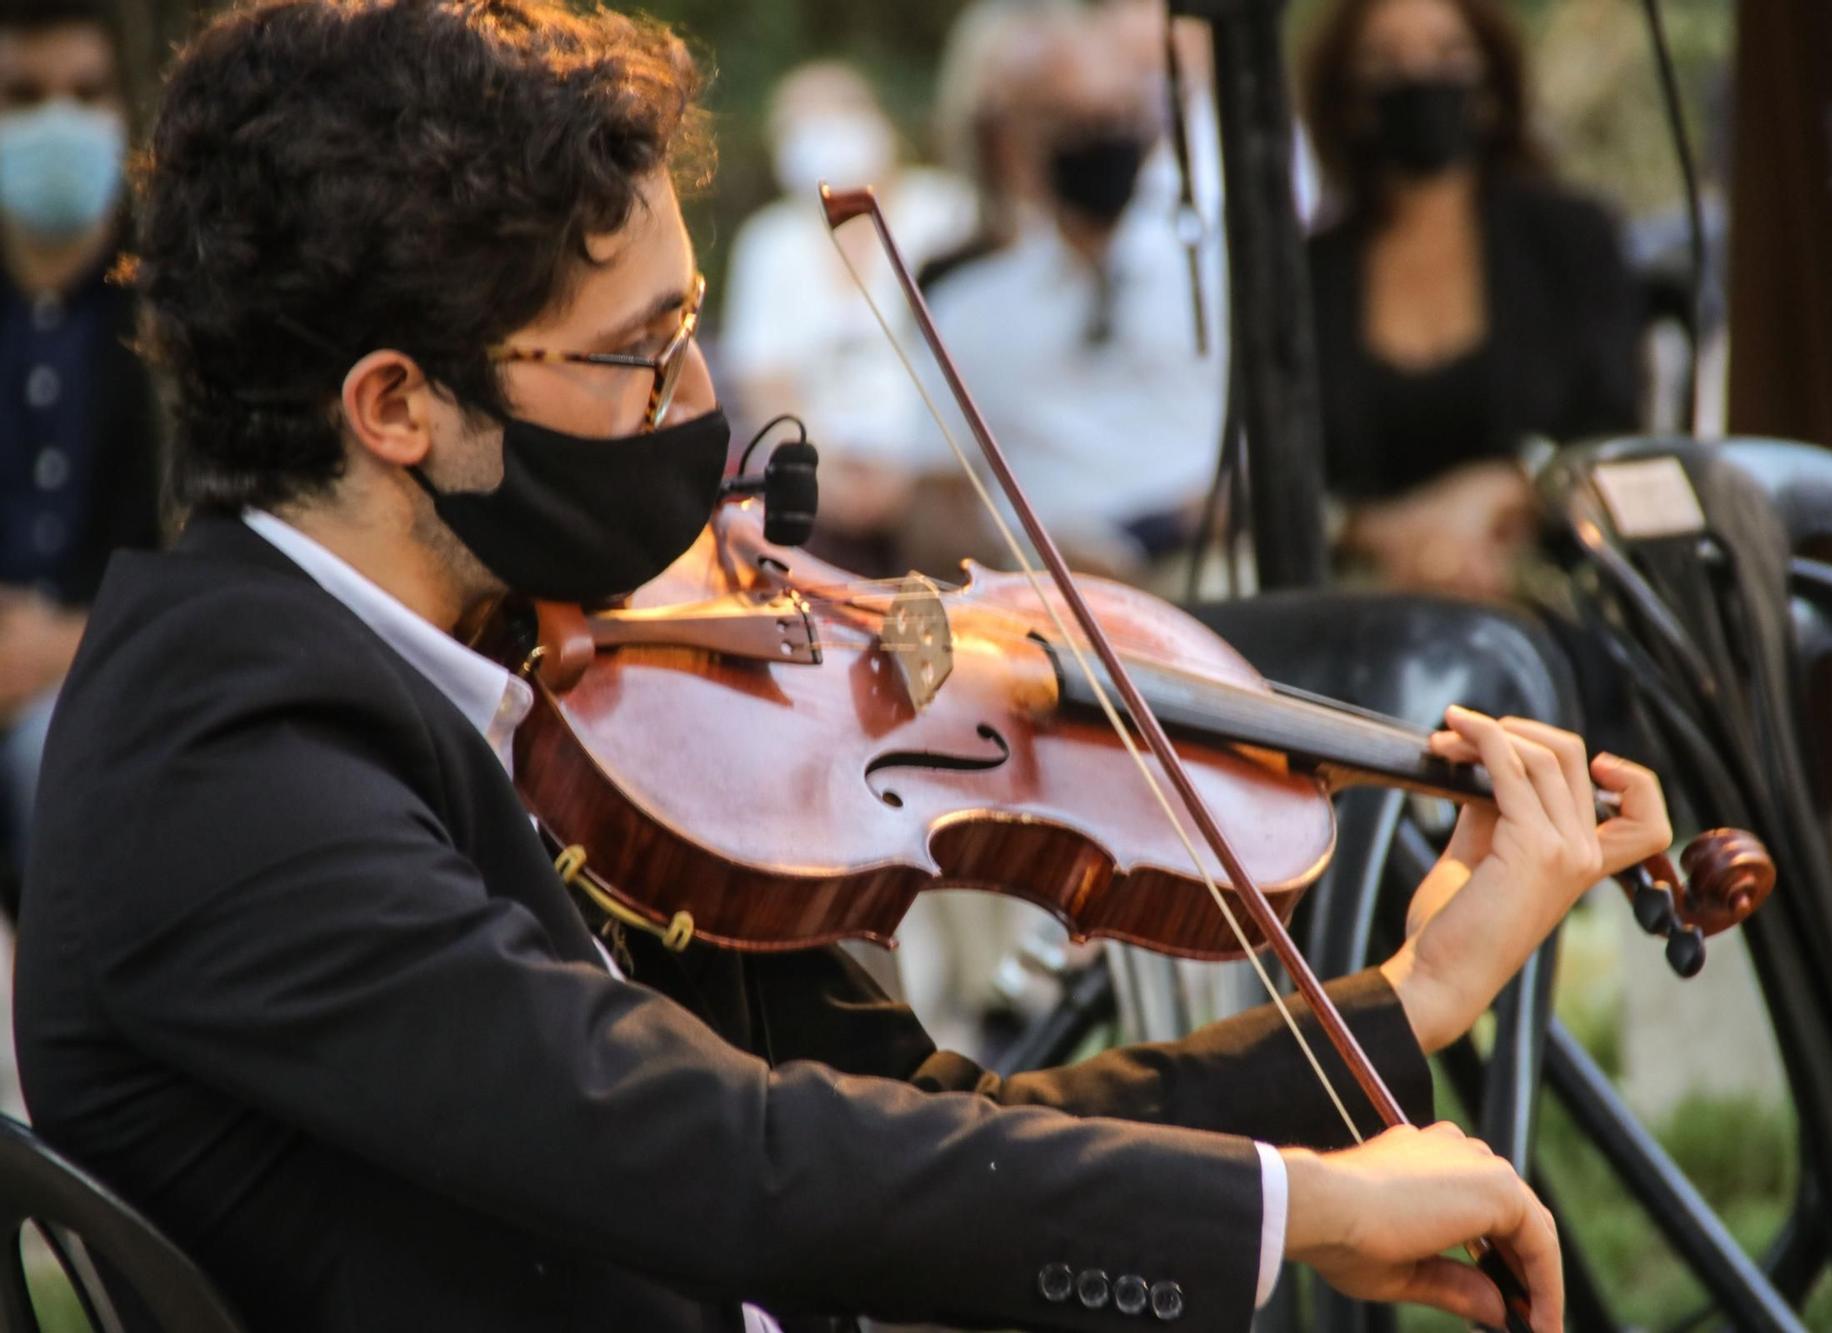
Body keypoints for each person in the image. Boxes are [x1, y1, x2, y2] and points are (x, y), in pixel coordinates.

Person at [16, 3, 1673, 1331]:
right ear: (396, 408)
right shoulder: (223, 761)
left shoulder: (505, 672)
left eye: (694, 329)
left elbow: (912, 1108)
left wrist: (1416, 996)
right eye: (638, 354)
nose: (701, 406)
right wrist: (1298, 1208)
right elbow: (741, 1166)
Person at [1299, 0, 1643, 597]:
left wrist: (1504, 492)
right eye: (1385, 60)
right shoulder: (1310, 270)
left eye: (1447, 54)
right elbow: (1293, 477)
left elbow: (1616, 437)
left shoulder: (1571, 239)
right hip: (1368, 601)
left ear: (1490, 82)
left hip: (1553, 588)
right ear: (1348, 97)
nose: (1418, 78)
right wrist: (1387, 534)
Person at [906, 3, 1225, 580]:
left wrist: (1145, 541)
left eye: (1116, 116)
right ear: (1014, 139)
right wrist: (1026, 559)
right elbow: (934, 506)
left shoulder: (1214, 275)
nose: (1098, 137)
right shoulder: (967, 303)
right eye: (1067, 120)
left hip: (1198, 574)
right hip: (1041, 597)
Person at [0, 0, 158, 908]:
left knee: (65, 764)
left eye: (84, 92)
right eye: (24, 95)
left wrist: (70, 643)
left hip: (102, 690)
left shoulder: (175, 315)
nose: (57, 121)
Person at [718, 60, 973, 568]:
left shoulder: (946, 211)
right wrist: (821, 474)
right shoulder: (771, 243)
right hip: (827, 482)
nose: (821, 135)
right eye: (798, 125)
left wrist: (917, 470)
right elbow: (765, 381)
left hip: (938, 476)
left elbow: (977, 358)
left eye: (838, 113)